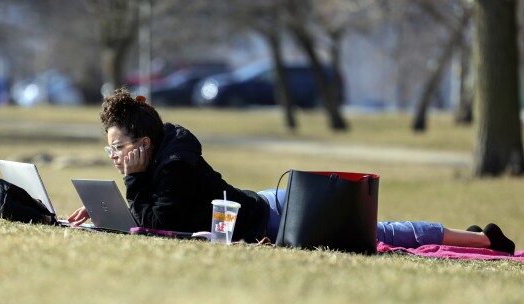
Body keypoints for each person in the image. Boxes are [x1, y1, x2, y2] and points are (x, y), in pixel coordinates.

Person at [68, 87, 516, 255]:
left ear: (143, 144)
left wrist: (129, 181)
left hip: (280, 219)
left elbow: (158, 224)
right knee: (384, 231)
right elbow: (151, 222)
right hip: (267, 203)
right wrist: (110, 209)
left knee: (384, 235)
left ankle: (485, 239)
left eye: (119, 150)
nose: (115, 159)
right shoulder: (161, 157)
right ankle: (472, 234)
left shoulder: (172, 166)